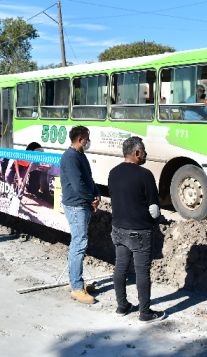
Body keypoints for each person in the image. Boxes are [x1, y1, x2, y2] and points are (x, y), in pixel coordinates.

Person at [107, 136, 165, 323]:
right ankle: (145, 313)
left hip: (118, 229)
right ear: (137, 153)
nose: (144, 154)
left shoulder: (113, 172)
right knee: (142, 272)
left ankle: (122, 306)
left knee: (120, 268)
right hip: (139, 231)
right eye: (143, 151)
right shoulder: (145, 175)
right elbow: (154, 210)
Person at [59, 125, 100, 304]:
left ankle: (76, 280)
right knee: (79, 244)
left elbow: (88, 180)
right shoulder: (70, 157)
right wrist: (91, 198)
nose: (88, 140)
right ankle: (76, 287)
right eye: (86, 137)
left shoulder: (80, 155)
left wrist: (96, 194)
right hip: (76, 206)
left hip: (82, 204)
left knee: (78, 243)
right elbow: (77, 185)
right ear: (79, 139)